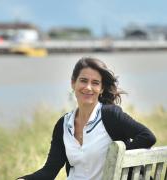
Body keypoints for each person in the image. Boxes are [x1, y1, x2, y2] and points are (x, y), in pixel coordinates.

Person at [17, 57, 156, 180]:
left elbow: (147, 136)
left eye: (95, 83)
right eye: (83, 81)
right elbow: (50, 171)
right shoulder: (63, 125)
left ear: (101, 89)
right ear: (73, 83)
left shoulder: (110, 115)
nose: (88, 87)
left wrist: (117, 157)